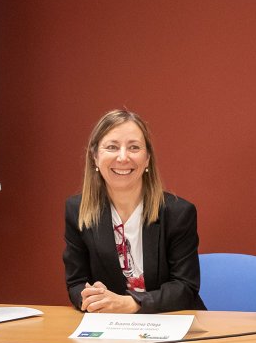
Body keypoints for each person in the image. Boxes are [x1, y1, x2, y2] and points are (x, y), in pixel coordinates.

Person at [63, 109, 203, 313]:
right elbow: (76, 282)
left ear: (147, 159)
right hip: (109, 324)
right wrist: (89, 296)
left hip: (171, 322)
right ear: (94, 157)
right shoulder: (77, 210)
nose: (122, 157)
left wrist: (131, 303)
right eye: (112, 147)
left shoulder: (178, 213)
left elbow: (185, 287)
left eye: (134, 147)